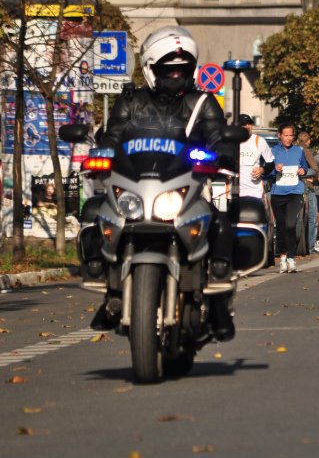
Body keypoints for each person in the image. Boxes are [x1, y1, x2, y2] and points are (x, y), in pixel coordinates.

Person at [95, 25, 237, 340]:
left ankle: (216, 303)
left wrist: (223, 152)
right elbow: (114, 133)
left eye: (182, 69)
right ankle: (110, 292)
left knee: (221, 224)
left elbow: (216, 131)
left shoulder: (202, 102)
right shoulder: (130, 101)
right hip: (137, 184)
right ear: (150, 69)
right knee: (96, 213)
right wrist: (101, 153)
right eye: (167, 70)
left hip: (184, 185)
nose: (175, 75)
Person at [269, 124, 311, 273]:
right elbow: (265, 172)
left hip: (295, 192)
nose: (288, 138)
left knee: (291, 224)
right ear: (280, 135)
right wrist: (275, 169)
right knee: (280, 227)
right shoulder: (272, 152)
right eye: (285, 135)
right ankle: (282, 259)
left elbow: (305, 167)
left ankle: (291, 259)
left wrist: (302, 170)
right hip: (278, 193)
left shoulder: (298, 151)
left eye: (291, 135)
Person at [237, 114, 275, 202]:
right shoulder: (232, 141)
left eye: (249, 124)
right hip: (235, 190)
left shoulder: (259, 141)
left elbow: (271, 163)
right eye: (244, 124)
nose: (247, 126)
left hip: (255, 191)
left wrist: (262, 170)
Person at [298, 131, 319, 255]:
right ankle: (310, 246)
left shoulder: (294, 150)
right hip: (307, 186)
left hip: (294, 186)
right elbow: (315, 169)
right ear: (308, 141)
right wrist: (304, 174)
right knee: (312, 217)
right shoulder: (305, 151)